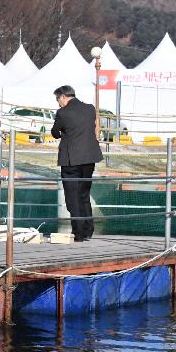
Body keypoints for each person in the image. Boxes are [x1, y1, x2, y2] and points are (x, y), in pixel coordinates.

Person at [51, 85, 103, 242]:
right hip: (89, 158)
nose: (58, 103)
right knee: (84, 194)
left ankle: (78, 233)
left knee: (72, 196)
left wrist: (62, 132)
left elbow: (54, 132)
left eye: (58, 100)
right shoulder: (90, 109)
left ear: (63, 97)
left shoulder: (63, 113)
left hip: (71, 159)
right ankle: (88, 230)